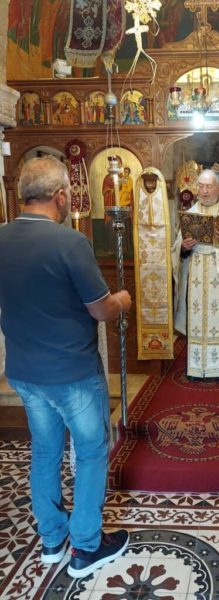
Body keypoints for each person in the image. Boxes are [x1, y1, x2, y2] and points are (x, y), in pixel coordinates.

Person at [0, 156, 132, 579]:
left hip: (25, 370)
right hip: (72, 373)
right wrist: (123, 300)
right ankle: (86, 547)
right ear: (60, 196)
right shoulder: (70, 242)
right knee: (91, 451)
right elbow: (100, 309)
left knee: (45, 451)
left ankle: (52, 539)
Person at [172, 169, 219, 382]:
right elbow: (177, 248)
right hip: (196, 275)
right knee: (196, 319)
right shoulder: (190, 214)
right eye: (200, 186)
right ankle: (196, 369)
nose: (204, 190)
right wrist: (183, 247)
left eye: (209, 186)